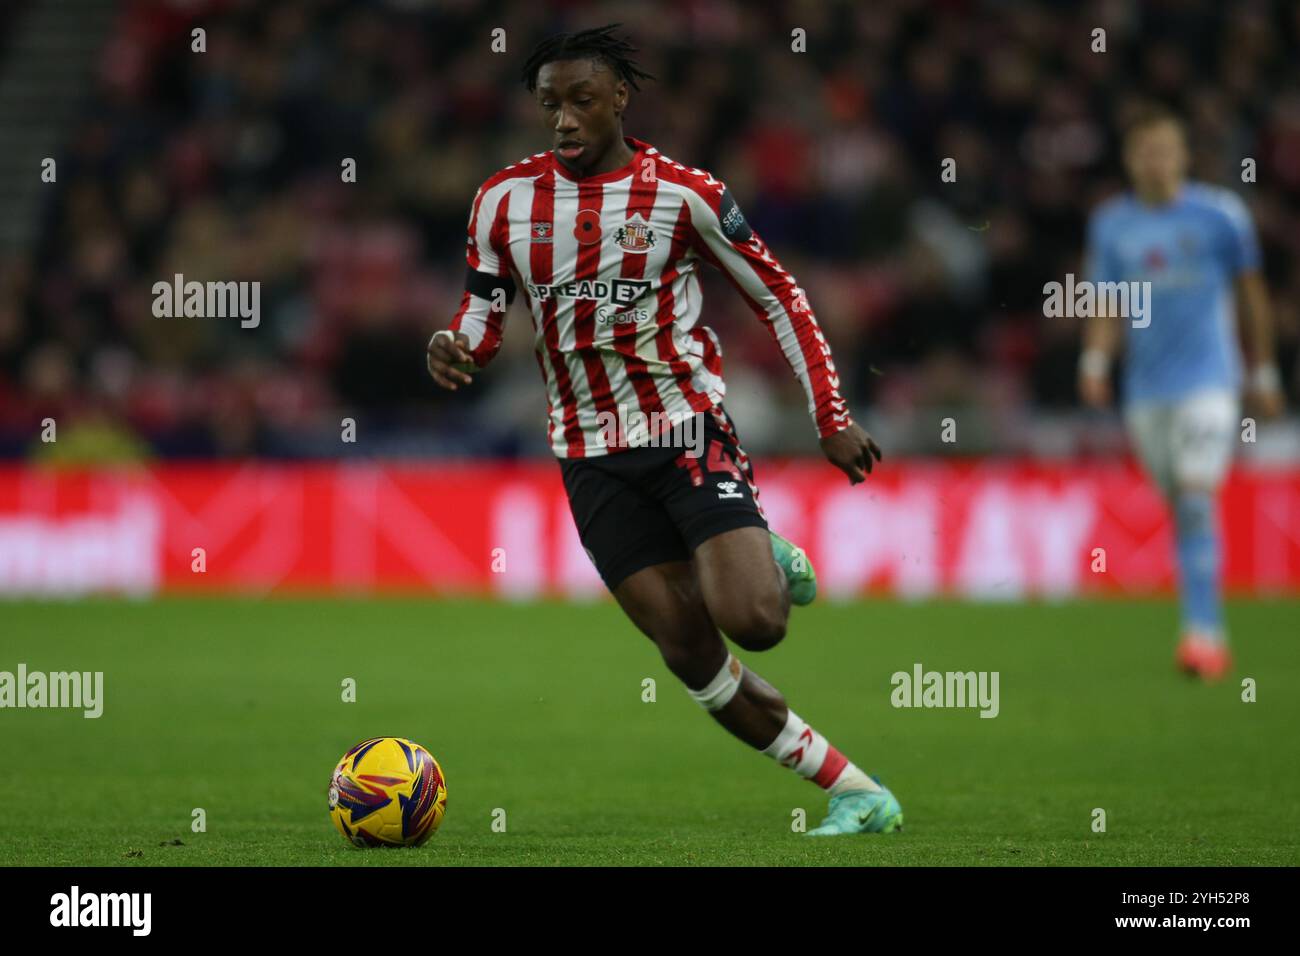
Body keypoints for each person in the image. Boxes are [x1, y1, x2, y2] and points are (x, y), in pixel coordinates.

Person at [427, 25, 901, 834]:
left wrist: (832, 417)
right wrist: (455, 346)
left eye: (581, 101)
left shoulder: (685, 194)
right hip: (587, 457)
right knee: (691, 655)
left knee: (757, 621)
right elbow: (483, 312)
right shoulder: (501, 201)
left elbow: (778, 295)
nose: (565, 120)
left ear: (619, 98)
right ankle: (856, 791)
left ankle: (759, 546)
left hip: (685, 430)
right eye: (550, 105)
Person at [1080, 107, 1284, 681]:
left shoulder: (1220, 216)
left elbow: (1252, 294)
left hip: (1210, 384)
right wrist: (1094, 361)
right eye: (1145, 151)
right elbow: (1103, 301)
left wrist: (1262, 373)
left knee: (1196, 498)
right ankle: (1200, 622)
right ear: (1129, 159)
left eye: (1166, 150)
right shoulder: (1111, 224)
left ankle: (1204, 636)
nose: (1156, 161)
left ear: (1183, 155)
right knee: (1180, 503)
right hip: (1145, 392)